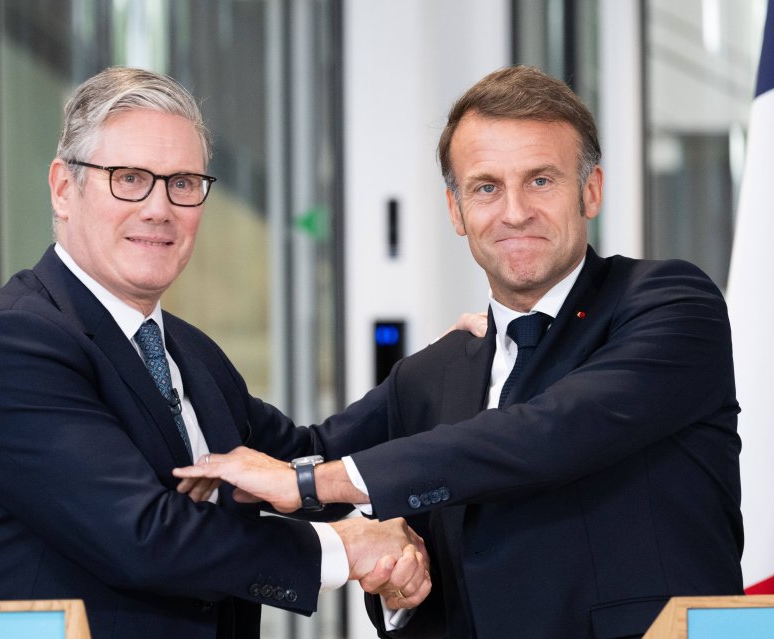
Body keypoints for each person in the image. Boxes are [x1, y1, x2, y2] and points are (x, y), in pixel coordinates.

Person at [175, 65, 744, 638]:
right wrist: (400, 586)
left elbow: (547, 434)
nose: (515, 211)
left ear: (590, 191)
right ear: (456, 210)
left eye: (541, 180)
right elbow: (310, 452)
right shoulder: (433, 374)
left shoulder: (670, 305)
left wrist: (308, 484)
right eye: (487, 187)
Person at [0, 66, 432, 639]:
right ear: (63, 189)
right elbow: (143, 535)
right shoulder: (9, 344)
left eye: (183, 183)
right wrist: (345, 548)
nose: (159, 208)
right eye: (128, 178)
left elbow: (304, 463)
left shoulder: (187, 351)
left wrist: (449, 362)